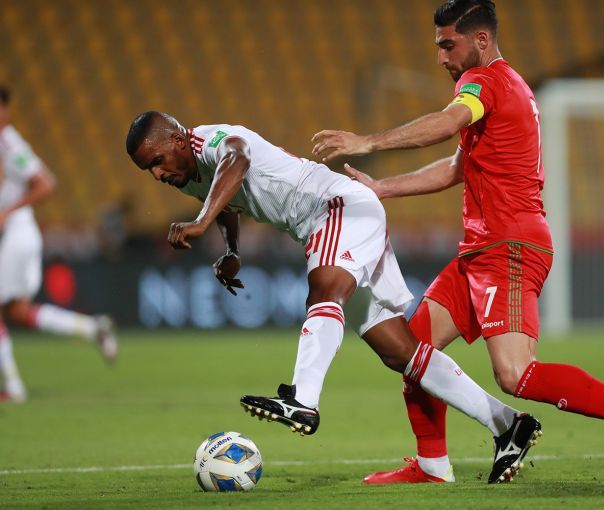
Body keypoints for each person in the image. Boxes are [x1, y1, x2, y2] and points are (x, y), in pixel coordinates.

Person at [311, 0, 604, 485]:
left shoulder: (484, 82)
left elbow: (447, 123)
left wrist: (368, 142)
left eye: (449, 45)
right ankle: (432, 465)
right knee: (415, 353)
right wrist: (383, 188)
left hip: (510, 247)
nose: (442, 58)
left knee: (516, 374)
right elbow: (457, 168)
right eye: (438, 47)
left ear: (481, 40)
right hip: (481, 250)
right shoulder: (504, 90)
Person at [125, 110, 542, 484]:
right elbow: (227, 200)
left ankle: (303, 400)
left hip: (336, 207)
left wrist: (200, 222)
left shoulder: (211, 140)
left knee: (324, 291)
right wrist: (232, 250)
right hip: (334, 222)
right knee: (400, 351)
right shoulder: (190, 175)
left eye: (158, 160)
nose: (158, 174)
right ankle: (507, 423)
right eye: (148, 170)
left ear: (178, 139)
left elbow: (237, 158)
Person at [0, 86, 118, 403]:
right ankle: (93, 328)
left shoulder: (8, 142)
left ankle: (13, 387)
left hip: (16, 233)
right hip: (14, 235)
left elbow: (45, 183)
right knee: (19, 313)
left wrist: (7, 212)